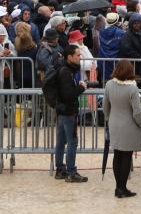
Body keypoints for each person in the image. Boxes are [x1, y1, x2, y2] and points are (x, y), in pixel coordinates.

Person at [103, 59, 141, 198]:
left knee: (117, 155)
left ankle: (118, 187)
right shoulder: (133, 88)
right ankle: (123, 188)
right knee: (126, 156)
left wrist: (109, 118)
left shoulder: (109, 84)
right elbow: (137, 111)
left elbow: (105, 106)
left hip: (114, 122)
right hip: (129, 125)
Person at [54, 44, 87, 183]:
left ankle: (60, 169)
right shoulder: (66, 72)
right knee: (72, 142)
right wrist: (80, 88)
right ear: (69, 57)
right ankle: (71, 172)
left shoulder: (64, 70)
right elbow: (69, 95)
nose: (80, 57)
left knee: (61, 142)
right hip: (68, 112)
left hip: (61, 111)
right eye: (78, 55)